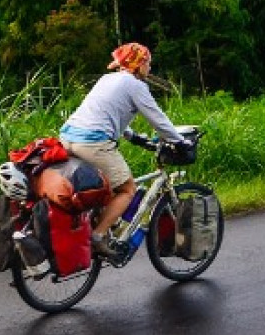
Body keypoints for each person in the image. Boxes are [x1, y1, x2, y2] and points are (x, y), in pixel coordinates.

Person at [59, 42, 185, 259]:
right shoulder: (135, 85)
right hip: (92, 143)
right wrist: (180, 141)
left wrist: (132, 136)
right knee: (127, 189)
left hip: (67, 138)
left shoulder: (108, 79)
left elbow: (107, 113)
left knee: (102, 187)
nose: (150, 68)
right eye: (147, 63)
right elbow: (158, 120)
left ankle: (95, 223)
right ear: (138, 64)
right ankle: (97, 237)